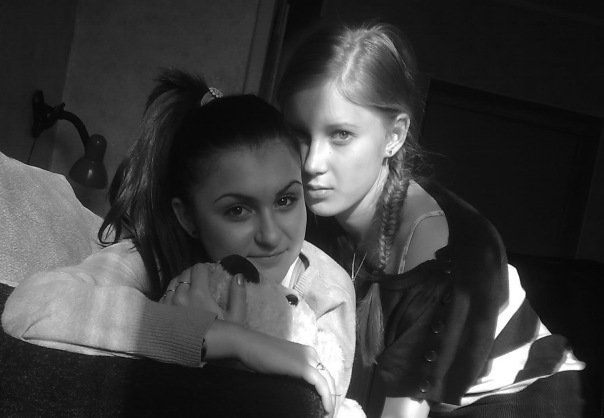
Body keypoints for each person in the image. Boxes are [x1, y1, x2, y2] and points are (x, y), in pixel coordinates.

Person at [2, 69, 356, 417]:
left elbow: (318, 404)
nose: (271, 235)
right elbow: (30, 307)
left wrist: (233, 368)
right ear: (187, 217)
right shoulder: (153, 257)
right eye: (237, 210)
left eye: (285, 200)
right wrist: (218, 337)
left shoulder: (328, 291)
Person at [277, 21, 586, 418]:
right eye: (300, 133)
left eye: (341, 135)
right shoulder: (312, 212)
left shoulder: (440, 253)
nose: (312, 162)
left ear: (395, 135)